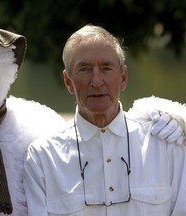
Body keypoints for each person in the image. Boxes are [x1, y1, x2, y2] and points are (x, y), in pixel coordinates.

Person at [23, 24, 186, 215]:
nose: (97, 81)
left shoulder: (166, 144)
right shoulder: (43, 157)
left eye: (106, 68)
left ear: (123, 77)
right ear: (68, 82)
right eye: (84, 69)